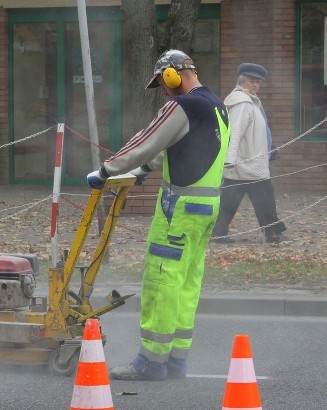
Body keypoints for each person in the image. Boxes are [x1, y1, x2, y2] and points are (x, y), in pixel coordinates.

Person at [86, 49, 230, 381]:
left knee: (161, 281)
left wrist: (107, 169)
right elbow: (183, 147)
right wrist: (144, 170)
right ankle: (176, 361)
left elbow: (147, 141)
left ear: (172, 75)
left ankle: (151, 362)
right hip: (206, 209)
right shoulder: (217, 106)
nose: (164, 91)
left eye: (163, 84)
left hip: (178, 211)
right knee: (185, 284)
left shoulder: (183, 105)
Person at [211, 63, 287, 244]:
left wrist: (271, 148)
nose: (255, 85)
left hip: (247, 163)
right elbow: (235, 132)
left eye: (258, 82)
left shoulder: (249, 101)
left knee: (229, 202)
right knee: (265, 199)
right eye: (252, 82)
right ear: (241, 82)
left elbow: (260, 130)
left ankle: (218, 233)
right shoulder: (242, 103)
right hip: (247, 163)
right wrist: (229, 159)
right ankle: (273, 234)